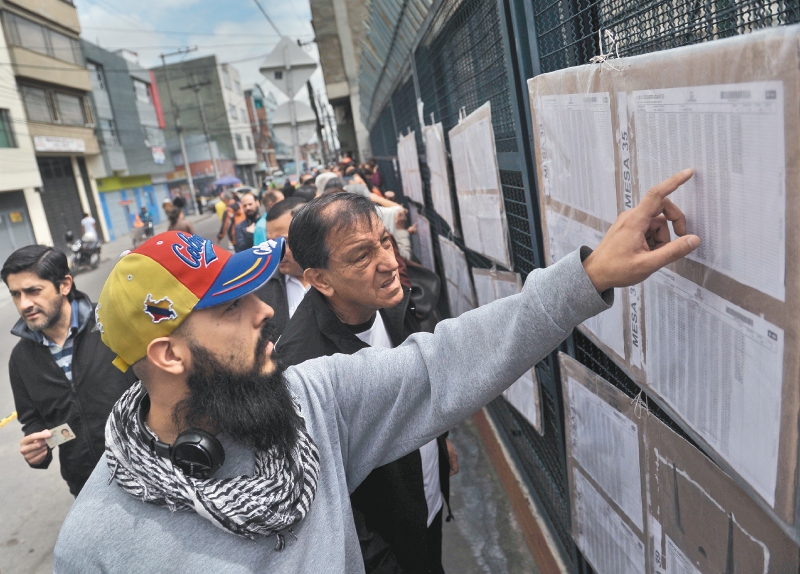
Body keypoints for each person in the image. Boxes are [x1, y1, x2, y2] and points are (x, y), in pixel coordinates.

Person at [53, 171, 699, 573]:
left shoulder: (311, 402)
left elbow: (445, 361)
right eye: (230, 306)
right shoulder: (99, 540)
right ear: (167, 355)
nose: (263, 313)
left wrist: (586, 277)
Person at [277, 193, 455, 574]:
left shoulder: (395, 303)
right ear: (320, 279)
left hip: (429, 502)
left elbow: (418, 381)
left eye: (385, 241)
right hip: (388, 545)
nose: (390, 263)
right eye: (362, 256)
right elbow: (325, 497)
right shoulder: (301, 368)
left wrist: (439, 441)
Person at [2, 246, 135, 496]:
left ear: (64, 285)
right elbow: (34, 421)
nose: (24, 304)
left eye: (33, 291)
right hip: (86, 489)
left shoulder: (111, 322)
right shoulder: (21, 360)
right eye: (16, 295)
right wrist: (37, 450)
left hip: (148, 470)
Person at [254, 198, 309, 338]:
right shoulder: (259, 288)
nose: (276, 252)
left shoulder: (340, 277)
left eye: (285, 242)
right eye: (271, 244)